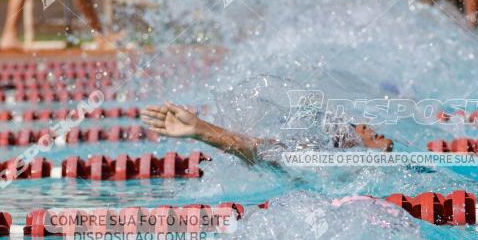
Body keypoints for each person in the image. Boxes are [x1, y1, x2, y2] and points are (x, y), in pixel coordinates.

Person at [141, 103, 393, 168]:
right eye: (356, 127)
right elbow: (256, 150)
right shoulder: (318, 162)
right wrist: (200, 129)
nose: (365, 126)